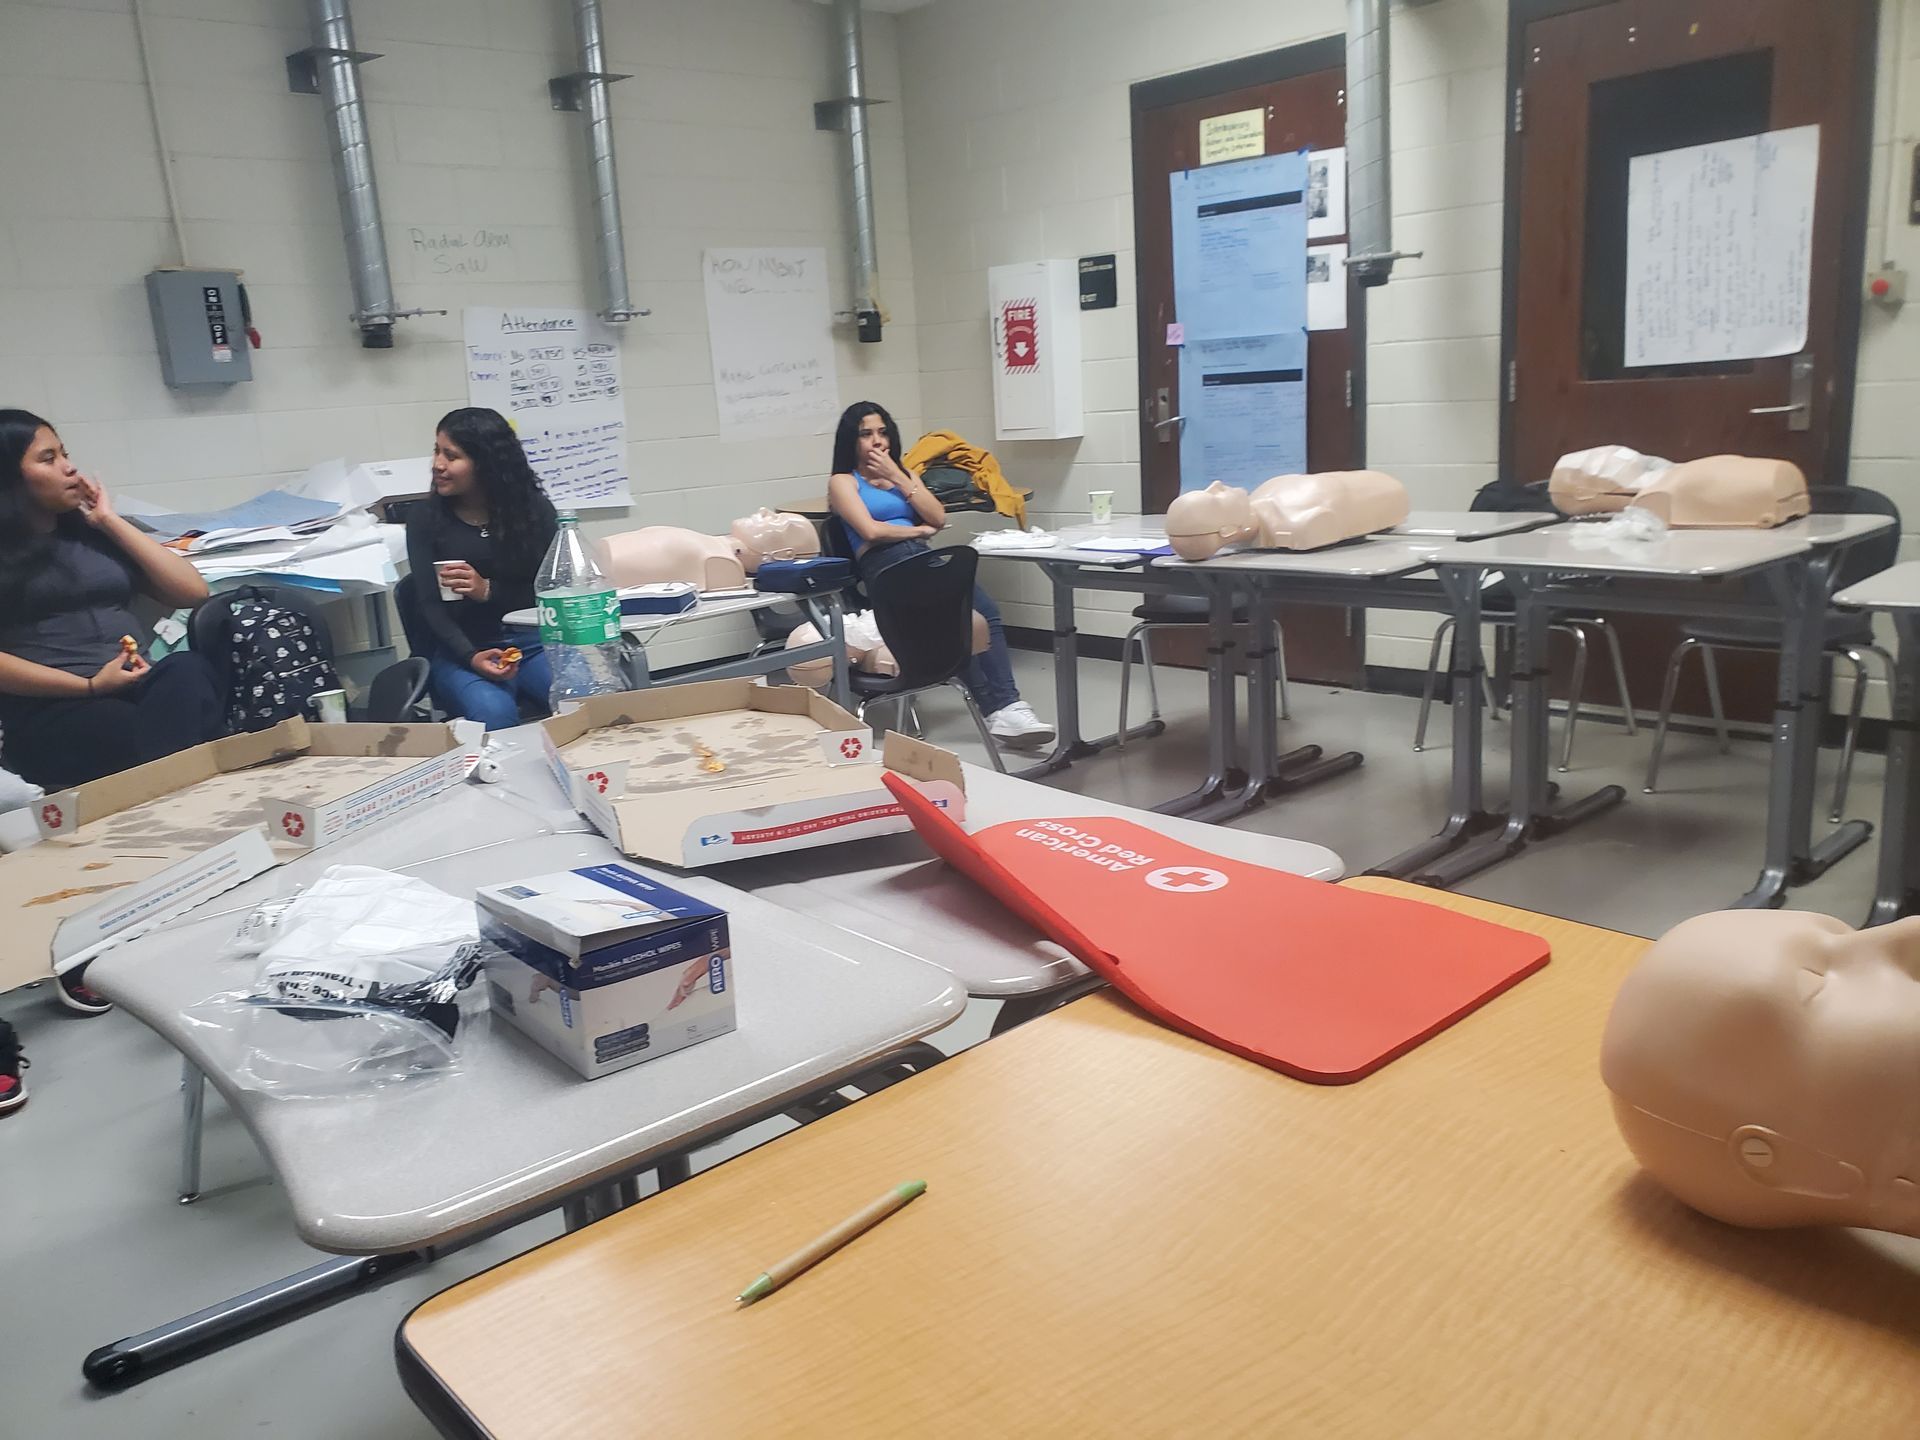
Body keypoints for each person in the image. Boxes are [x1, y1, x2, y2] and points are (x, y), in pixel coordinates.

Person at [0, 409, 225, 1016]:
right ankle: (164, 885)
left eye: (64, 451)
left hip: (131, 693)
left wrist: (109, 520)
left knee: (190, 672)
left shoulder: (89, 531)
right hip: (51, 714)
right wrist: (87, 687)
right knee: (142, 740)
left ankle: (152, 880)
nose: (69, 465)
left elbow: (192, 593)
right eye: (47, 458)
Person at [827, 402, 1054, 747]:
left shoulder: (904, 476)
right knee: (952, 617)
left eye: (883, 432)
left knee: (985, 611)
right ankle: (1000, 708)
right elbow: (871, 532)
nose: (878, 441)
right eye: (866, 434)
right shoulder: (843, 482)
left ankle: (1007, 707)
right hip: (885, 566)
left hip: (922, 557)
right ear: (851, 441)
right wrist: (916, 532)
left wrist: (900, 479)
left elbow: (935, 517)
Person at [404, 408, 559, 730]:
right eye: (436, 451)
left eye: (451, 455)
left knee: (579, 695)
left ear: (486, 462)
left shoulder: (534, 512)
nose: (438, 464)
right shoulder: (425, 519)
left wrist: (488, 590)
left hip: (530, 642)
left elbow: (552, 590)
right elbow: (429, 607)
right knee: (494, 712)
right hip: (461, 648)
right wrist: (470, 656)